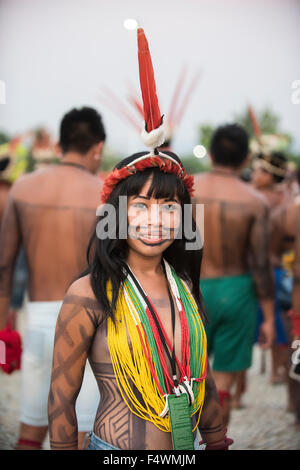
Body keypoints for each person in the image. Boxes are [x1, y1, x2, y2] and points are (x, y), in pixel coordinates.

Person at [48, 27, 232, 452]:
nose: (156, 221)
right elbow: (61, 400)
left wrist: (218, 442)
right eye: (140, 207)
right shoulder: (89, 294)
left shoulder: (184, 288)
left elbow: (202, 382)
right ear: (116, 214)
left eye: (169, 208)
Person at [0, 106, 106, 449]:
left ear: (60, 145)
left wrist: (3, 330)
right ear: (98, 148)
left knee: (31, 430)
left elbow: (4, 266)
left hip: (38, 325)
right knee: (82, 434)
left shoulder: (23, 189)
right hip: (90, 325)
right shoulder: (106, 195)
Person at [192, 124, 275, 425]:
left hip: (192, 289)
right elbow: (262, 264)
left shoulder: (187, 191)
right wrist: (268, 316)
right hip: (237, 291)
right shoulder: (255, 201)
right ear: (244, 160)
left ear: (211, 154)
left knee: (186, 380)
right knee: (222, 387)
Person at [252, 151, 290, 384]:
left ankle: (281, 370)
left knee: (280, 324)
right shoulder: (286, 198)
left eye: (259, 170)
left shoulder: (257, 200)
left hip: (273, 269)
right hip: (266, 269)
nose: (254, 174)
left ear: (269, 175)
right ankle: (279, 372)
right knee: (277, 323)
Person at [270, 165, 300, 424]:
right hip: (292, 287)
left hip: (291, 285)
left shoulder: (285, 213)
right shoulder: (286, 213)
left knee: (295, 344)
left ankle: (294, 403)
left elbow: (273, 253)